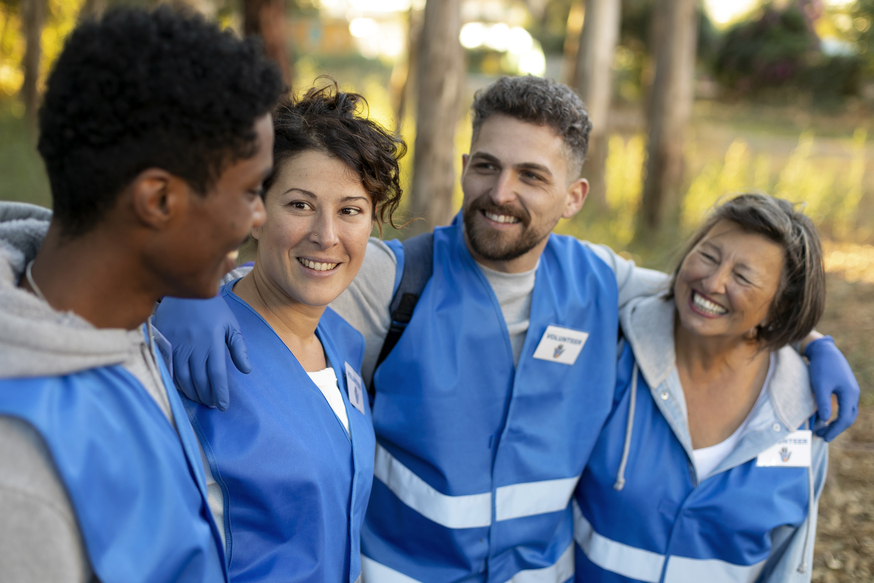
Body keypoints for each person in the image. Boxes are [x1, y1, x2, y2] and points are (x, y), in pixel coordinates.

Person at [155, 76, 859, 582]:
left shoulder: (604, 284)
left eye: (532, 176)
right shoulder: (394, 277)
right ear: (464, 168)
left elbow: (712, 297)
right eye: (486, 166)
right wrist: (188, 285)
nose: (501, 192)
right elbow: (295, 258)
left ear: (574, 196)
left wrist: (808, 340)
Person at [0, 7, 283, 583]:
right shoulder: (18, 473)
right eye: (252, 192)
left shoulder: (124, 323)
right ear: (157, 201)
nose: (259, 218)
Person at [183, 82, 405, 583]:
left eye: (350, 210)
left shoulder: (345, 345)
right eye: (301, 205)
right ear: (256, 214)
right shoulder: (195, 350)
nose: (326, 235)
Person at [573, 194, 829, 582]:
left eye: (743, 277)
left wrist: (814, 343)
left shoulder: (803, 414)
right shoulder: (614, 354)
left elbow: (787, 565)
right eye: (708, 256)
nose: (713, 282)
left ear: (780, 306)